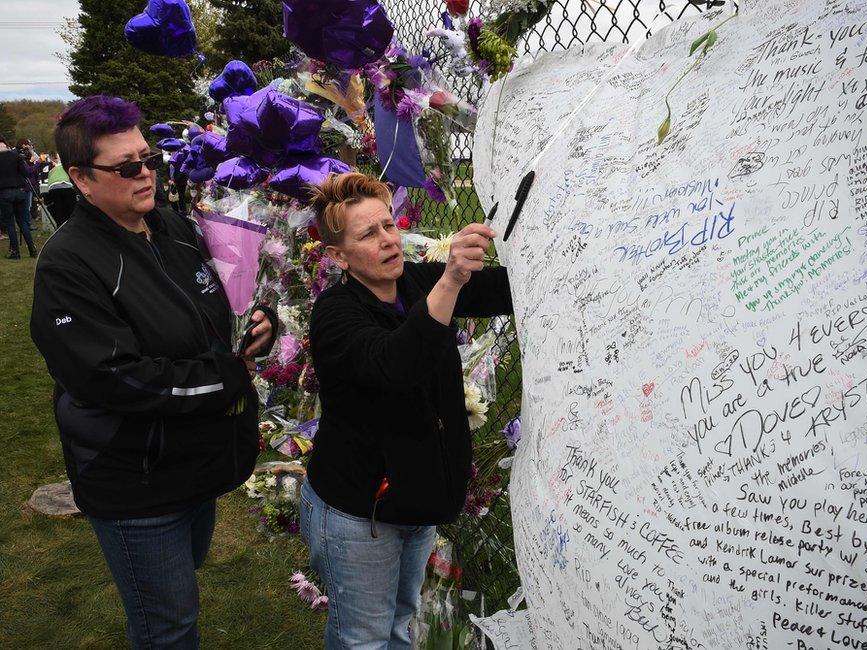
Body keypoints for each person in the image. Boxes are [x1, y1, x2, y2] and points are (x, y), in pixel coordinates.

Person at [30, 95, 279, 649]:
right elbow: (111, 375)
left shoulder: (176, 229)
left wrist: (260, 324)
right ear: (81, 179)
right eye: (126, 167)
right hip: (136, 481)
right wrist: (229, 376)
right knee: (167, 629)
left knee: (174, 603)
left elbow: (219, 314)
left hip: (197, 465)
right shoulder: (68, 264)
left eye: (149, 159)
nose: (145, 174)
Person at [301, 172, 513, 648]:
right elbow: (397, 364)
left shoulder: (414, 281)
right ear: (338, 256)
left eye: (389, 225)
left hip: (414, 502)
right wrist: (453, 278)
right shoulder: (335, 314)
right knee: (364, 638)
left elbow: (502, 291)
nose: (388, 241)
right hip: (360, 513)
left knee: (401, 622)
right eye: (368, 234)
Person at [0, 137, 36, 258]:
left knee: (10, 223)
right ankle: (32, 249)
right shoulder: (16, 155)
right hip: (19, 191)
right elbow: (26, 173)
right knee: (22, 222)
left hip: (4, 192)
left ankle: (15, 251)